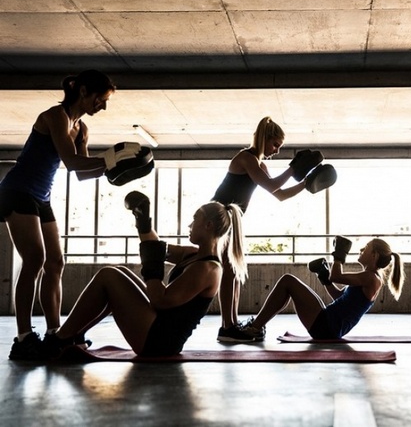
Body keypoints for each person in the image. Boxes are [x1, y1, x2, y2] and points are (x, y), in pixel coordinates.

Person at [0, 70, 148, 360]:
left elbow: (81, 173)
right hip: (17, 191)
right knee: (34, 260)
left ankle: (56, 334)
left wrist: (117, 168)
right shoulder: (56, 116)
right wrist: (110, 160)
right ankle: (23, 338)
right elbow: (70, 160)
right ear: (83, 92)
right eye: (100, 99)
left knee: (55, 262)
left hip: (41, 196)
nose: (102, 106)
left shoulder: (81, 129)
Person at [44, 194, 245, 358]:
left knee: (108, 276)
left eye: (195, 219)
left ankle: (59, 339)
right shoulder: (193, 254)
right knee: (119, 271)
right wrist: (143, 220)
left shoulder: (208, 268)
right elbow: (156, 249)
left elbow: (159, 300)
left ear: (208, 226)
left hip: (161, 341)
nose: (190, 225)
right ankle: (74, 335)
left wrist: (152, 268)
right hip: (158, 327)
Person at [212, 116, 326, 342]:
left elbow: (280, 195)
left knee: (233, 270)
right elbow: (274, 185)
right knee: (227, 269)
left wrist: (306, 183)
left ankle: (232, 325)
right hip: (219, 215)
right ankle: (227, 328)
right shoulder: (246, 158)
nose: (277, 150)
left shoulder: (259, 165)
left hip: (234, 217)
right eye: (275, 144)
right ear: (264, 139)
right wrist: (294, 169)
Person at [241, 236, 406, 341]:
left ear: (374, 255)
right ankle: (257, 326)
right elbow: (338, 295)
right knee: (288, 284)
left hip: (327, 328)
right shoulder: (368, 277)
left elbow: (337, 276)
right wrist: (324, 276)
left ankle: (255, 328)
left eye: (366, 248)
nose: (361, 249)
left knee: (288, 281)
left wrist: (339, 255)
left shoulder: (370, 278)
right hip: (329, 325)